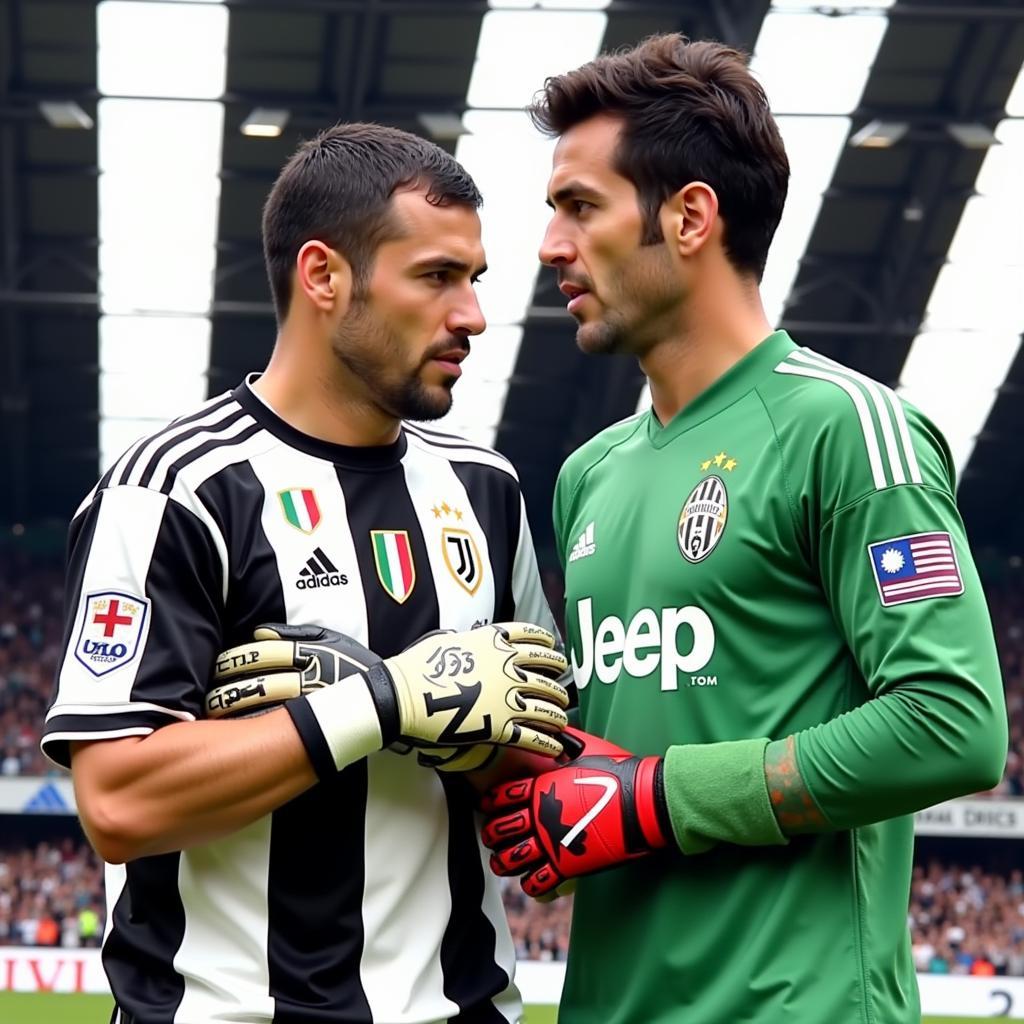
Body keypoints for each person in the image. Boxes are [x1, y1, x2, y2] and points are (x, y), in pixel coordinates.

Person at [479, 34, 1008, 1024]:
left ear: (689, 217)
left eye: (580, 207)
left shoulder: (848, 430)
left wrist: (652, 801)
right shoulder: (588, 474)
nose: (550, 245)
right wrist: (537, 798)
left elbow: (954, 724)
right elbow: (617, 754)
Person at [40, 122, 571, 1024]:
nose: (473, 315)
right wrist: (378, 701)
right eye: (437, 276)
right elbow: (117, 801)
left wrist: (469, 730)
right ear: (323, 276)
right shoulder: (173, 489)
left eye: (474, 280)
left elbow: (539, 761)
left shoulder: (489, 490)